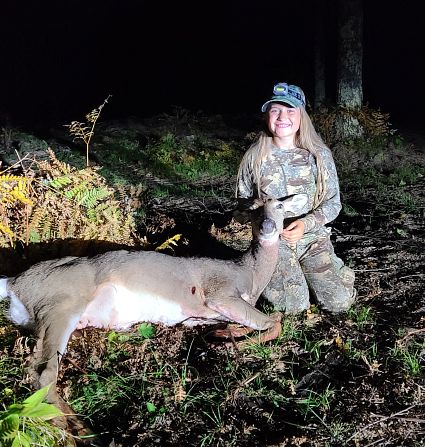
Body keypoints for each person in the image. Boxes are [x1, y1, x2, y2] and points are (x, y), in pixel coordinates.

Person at [236, 82, 355, 314]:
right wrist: (261, 220)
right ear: (267, 116)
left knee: (338, 303)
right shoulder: (254, 156)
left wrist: (306, 223)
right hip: (272, 245)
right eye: (275, 110)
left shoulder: (319, 155)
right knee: (292, 306)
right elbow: (242, 204)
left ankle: (332, 272)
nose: (283, 117)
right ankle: (280, 277)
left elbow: (333, 203)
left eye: (290, 110)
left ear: (301, 116)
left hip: (312, 240)